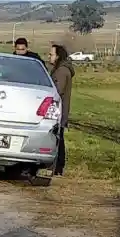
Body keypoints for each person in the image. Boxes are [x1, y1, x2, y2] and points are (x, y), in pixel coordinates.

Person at [48, 43, 75, 177]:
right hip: (59, 110)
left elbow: (57, 91)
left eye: (51, 54)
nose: (49, 57)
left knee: (59, 139)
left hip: (59, 111)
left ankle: (58, 167)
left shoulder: (62, 71)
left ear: (58, 56)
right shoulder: (60, 70)